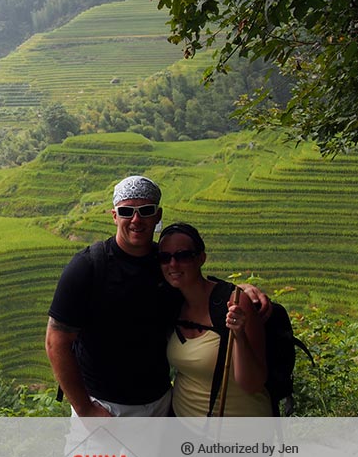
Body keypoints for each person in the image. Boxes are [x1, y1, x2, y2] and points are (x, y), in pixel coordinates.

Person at [45, 175, 268, 417]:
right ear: (114, 216)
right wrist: (85, 409)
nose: (136, 220)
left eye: (146, 210)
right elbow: (55, 341)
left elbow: (194, 282)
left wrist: (241, 289)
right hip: (104, 408)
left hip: (160, 406)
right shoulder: (87, 266)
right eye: (127, 211)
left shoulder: (164, 262)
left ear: (158, 215)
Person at [158, 222, 272, 416]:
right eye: (164, 257)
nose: (173, 264)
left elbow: (252, 384)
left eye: (183, 256)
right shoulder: (172, 303)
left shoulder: (235, 303)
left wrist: (239, 337)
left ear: (201, 258)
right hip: (184, 429)